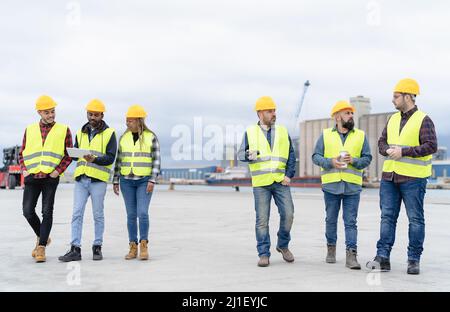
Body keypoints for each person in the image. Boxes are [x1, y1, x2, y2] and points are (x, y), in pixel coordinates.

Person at [366, 78, 437, 275]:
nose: (393, 100)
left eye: (396, 96)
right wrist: (388, 149)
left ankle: (413, 260)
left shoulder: (424, 119)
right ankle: (383, 258)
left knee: (415, 219)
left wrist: (404, 151)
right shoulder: (392, 119)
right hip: (389, 177)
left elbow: (431, 146)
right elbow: (381, 142)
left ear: (408, 96)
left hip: (413, 179)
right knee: (387, 217)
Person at [312, 100, 372, 269]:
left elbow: (367, 158)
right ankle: (331, 250)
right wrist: (330, 162)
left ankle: (351, 256)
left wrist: (354, 160)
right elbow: (315, 156)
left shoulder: (360, 135)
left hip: (352, 186)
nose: (351, 116)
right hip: (331, 185)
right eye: (347, 113)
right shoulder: (325, 135)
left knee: (350, 221)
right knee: (331, 220)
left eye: (352, 113)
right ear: (337, 117)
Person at [238, 96, 296, 267]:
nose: (274, 114)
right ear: (260, 113)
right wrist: (250, 154)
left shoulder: (283, 131)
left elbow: (291, 155)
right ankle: (264, 253)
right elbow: (241, 154)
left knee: (289, 215)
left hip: (280, 181)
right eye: (270, 111)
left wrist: (289, 175)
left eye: (274, 110)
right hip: (261, 183)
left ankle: (283, 245)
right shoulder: (250, 132)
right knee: (262, 220)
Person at [58, 99, 117, 262]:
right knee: (77, 213)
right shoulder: (80, 132)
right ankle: (75, 249)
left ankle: (97, 246)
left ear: (102, 115)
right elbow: (77, 156)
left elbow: (111, 158)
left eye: (96, 115)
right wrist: (74, 153)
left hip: (98, 180)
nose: (92, 117)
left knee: (98, 215)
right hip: (81, 180)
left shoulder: (110, 133)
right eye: (90, 114)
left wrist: (94, 159)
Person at [19, 95, 73, 262]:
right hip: (32, 176)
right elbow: (22, 153)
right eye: (47, 112)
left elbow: (68, 154)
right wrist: (24, 170)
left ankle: (41, 247)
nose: (51, 115)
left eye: (53, 111)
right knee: (27, 211)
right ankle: (43, 236)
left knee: (47, 211)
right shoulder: (30, 129)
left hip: (50, 177)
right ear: (39, 112)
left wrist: (58, 171)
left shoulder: (64, 129)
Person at [113, 105, 161, 260]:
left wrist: (152, 180)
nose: (127, 123)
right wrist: (115, 180)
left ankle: (144, 244)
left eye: (131, 120)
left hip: (144, 180)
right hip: (126, 181)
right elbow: (118, 160)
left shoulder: (151, 137)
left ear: (139, 121)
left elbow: (156, 161)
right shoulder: (124, 137)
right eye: (126, 120)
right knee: (131, 215)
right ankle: (132, 246)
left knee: (142, 212)